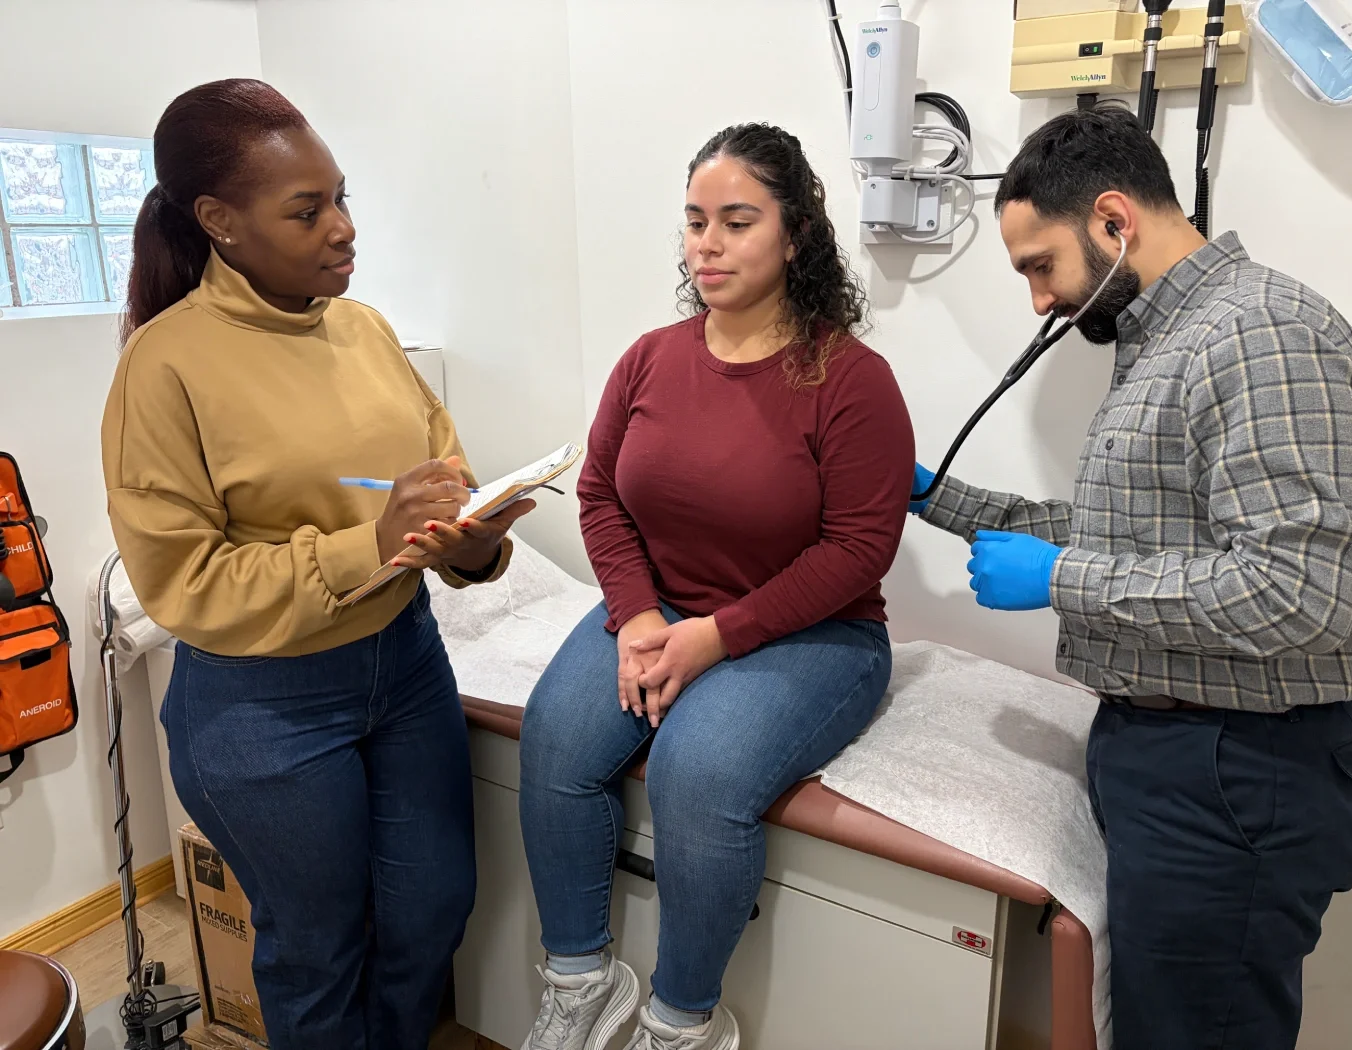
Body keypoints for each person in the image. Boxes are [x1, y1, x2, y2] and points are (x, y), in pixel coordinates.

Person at [911, 104, 1352, 1050]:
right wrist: (935, 498)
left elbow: (1301, 594)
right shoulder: (1171, 344)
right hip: (1188, 764)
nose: (1040, 302)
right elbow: (1124, 540)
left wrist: (1063, 581)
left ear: (1112, 220)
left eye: (1039, 266)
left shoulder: (1261, 336)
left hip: (1237, 773)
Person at [100, 79, 532, 1050]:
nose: (342, 229)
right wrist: (367, 545)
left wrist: (471, 539)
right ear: (218, 221)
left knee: (430, 912)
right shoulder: (163, 368)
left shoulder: (365, 329)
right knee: (316, 951)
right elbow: (186, 587)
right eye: (308, 210)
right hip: (263, 704)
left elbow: (438, 471)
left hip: (405, 664)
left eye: (343, 199)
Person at [516, 123, 915, 1050]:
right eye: (696, 222)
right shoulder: (651, 358)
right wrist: (638, 616)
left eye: (738, 221)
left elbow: (858, 551)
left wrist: (716, 637)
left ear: (796, 236)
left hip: (813, 634)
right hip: (660, 613)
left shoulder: (851, 380)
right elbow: (600, 492)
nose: (708, 243)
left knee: (697, 773)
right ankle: (580, 981)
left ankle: (682, 1018)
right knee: (557, 737)